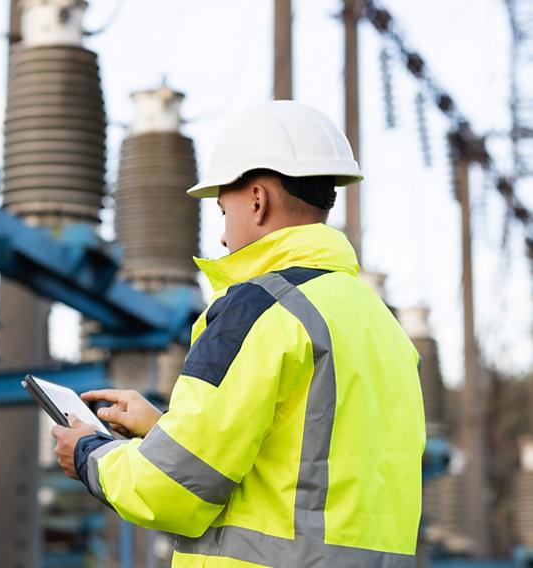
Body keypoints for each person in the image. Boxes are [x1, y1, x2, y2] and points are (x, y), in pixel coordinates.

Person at [51, 100, 425, 567]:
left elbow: (166, 490)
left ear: (257, 200)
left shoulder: (261, 308)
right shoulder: (380, 324)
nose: (224, 238)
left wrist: (88, 452)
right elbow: (306, 473)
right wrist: (165, 430)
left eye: (223, 211)